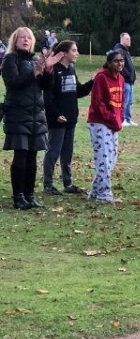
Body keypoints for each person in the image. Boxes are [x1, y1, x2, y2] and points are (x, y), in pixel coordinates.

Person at [2, 27, 62, 209]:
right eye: (22, 37)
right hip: (18, 114)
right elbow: (13, 82)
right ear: (15, 40)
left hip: (37, 114)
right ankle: (18, 197)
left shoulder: (36, 60)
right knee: (21, 155)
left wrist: (48, 71)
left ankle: (29, 194)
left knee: (32, 156)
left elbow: (45, 86)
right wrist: (34, 71)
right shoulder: (10, 59)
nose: (25, 40)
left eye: (28, 37)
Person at [42, 40, 93, 195]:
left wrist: (93, 82)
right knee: (53, 151)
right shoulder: (53, 70)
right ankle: (48, 184)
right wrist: (57, 115)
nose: (77, 53)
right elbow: (48, 97)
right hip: (57, 119)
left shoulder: (71, 68)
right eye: (74, 50)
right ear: (64, 53)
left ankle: (68, 183)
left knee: (67, 152)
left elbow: (78, 92)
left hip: (71, 118)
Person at [86, 49, 125, 203]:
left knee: (112, 158)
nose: (120, 63)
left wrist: (119, 119)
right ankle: (104, 194)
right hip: (99, 122)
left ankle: (95, 192)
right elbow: (98, 103)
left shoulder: (121, 79)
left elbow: (121, 103)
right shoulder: (101, 77)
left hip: (113, 123)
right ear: (109, 63)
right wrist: (111, 119)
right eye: (116, 61)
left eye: (122, 60)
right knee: (104, 157)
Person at [112, 32, 137, 126]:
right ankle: (122, 120)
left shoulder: (126, 51)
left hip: (130, 81)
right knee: (124, 101)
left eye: (129, 39)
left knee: (129, 101)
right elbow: (119, 66)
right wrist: (127, 75)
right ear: (121, 40)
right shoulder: (119, 50)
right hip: (125, 81)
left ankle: (128, 119)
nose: (129, 41)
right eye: (127, 39)